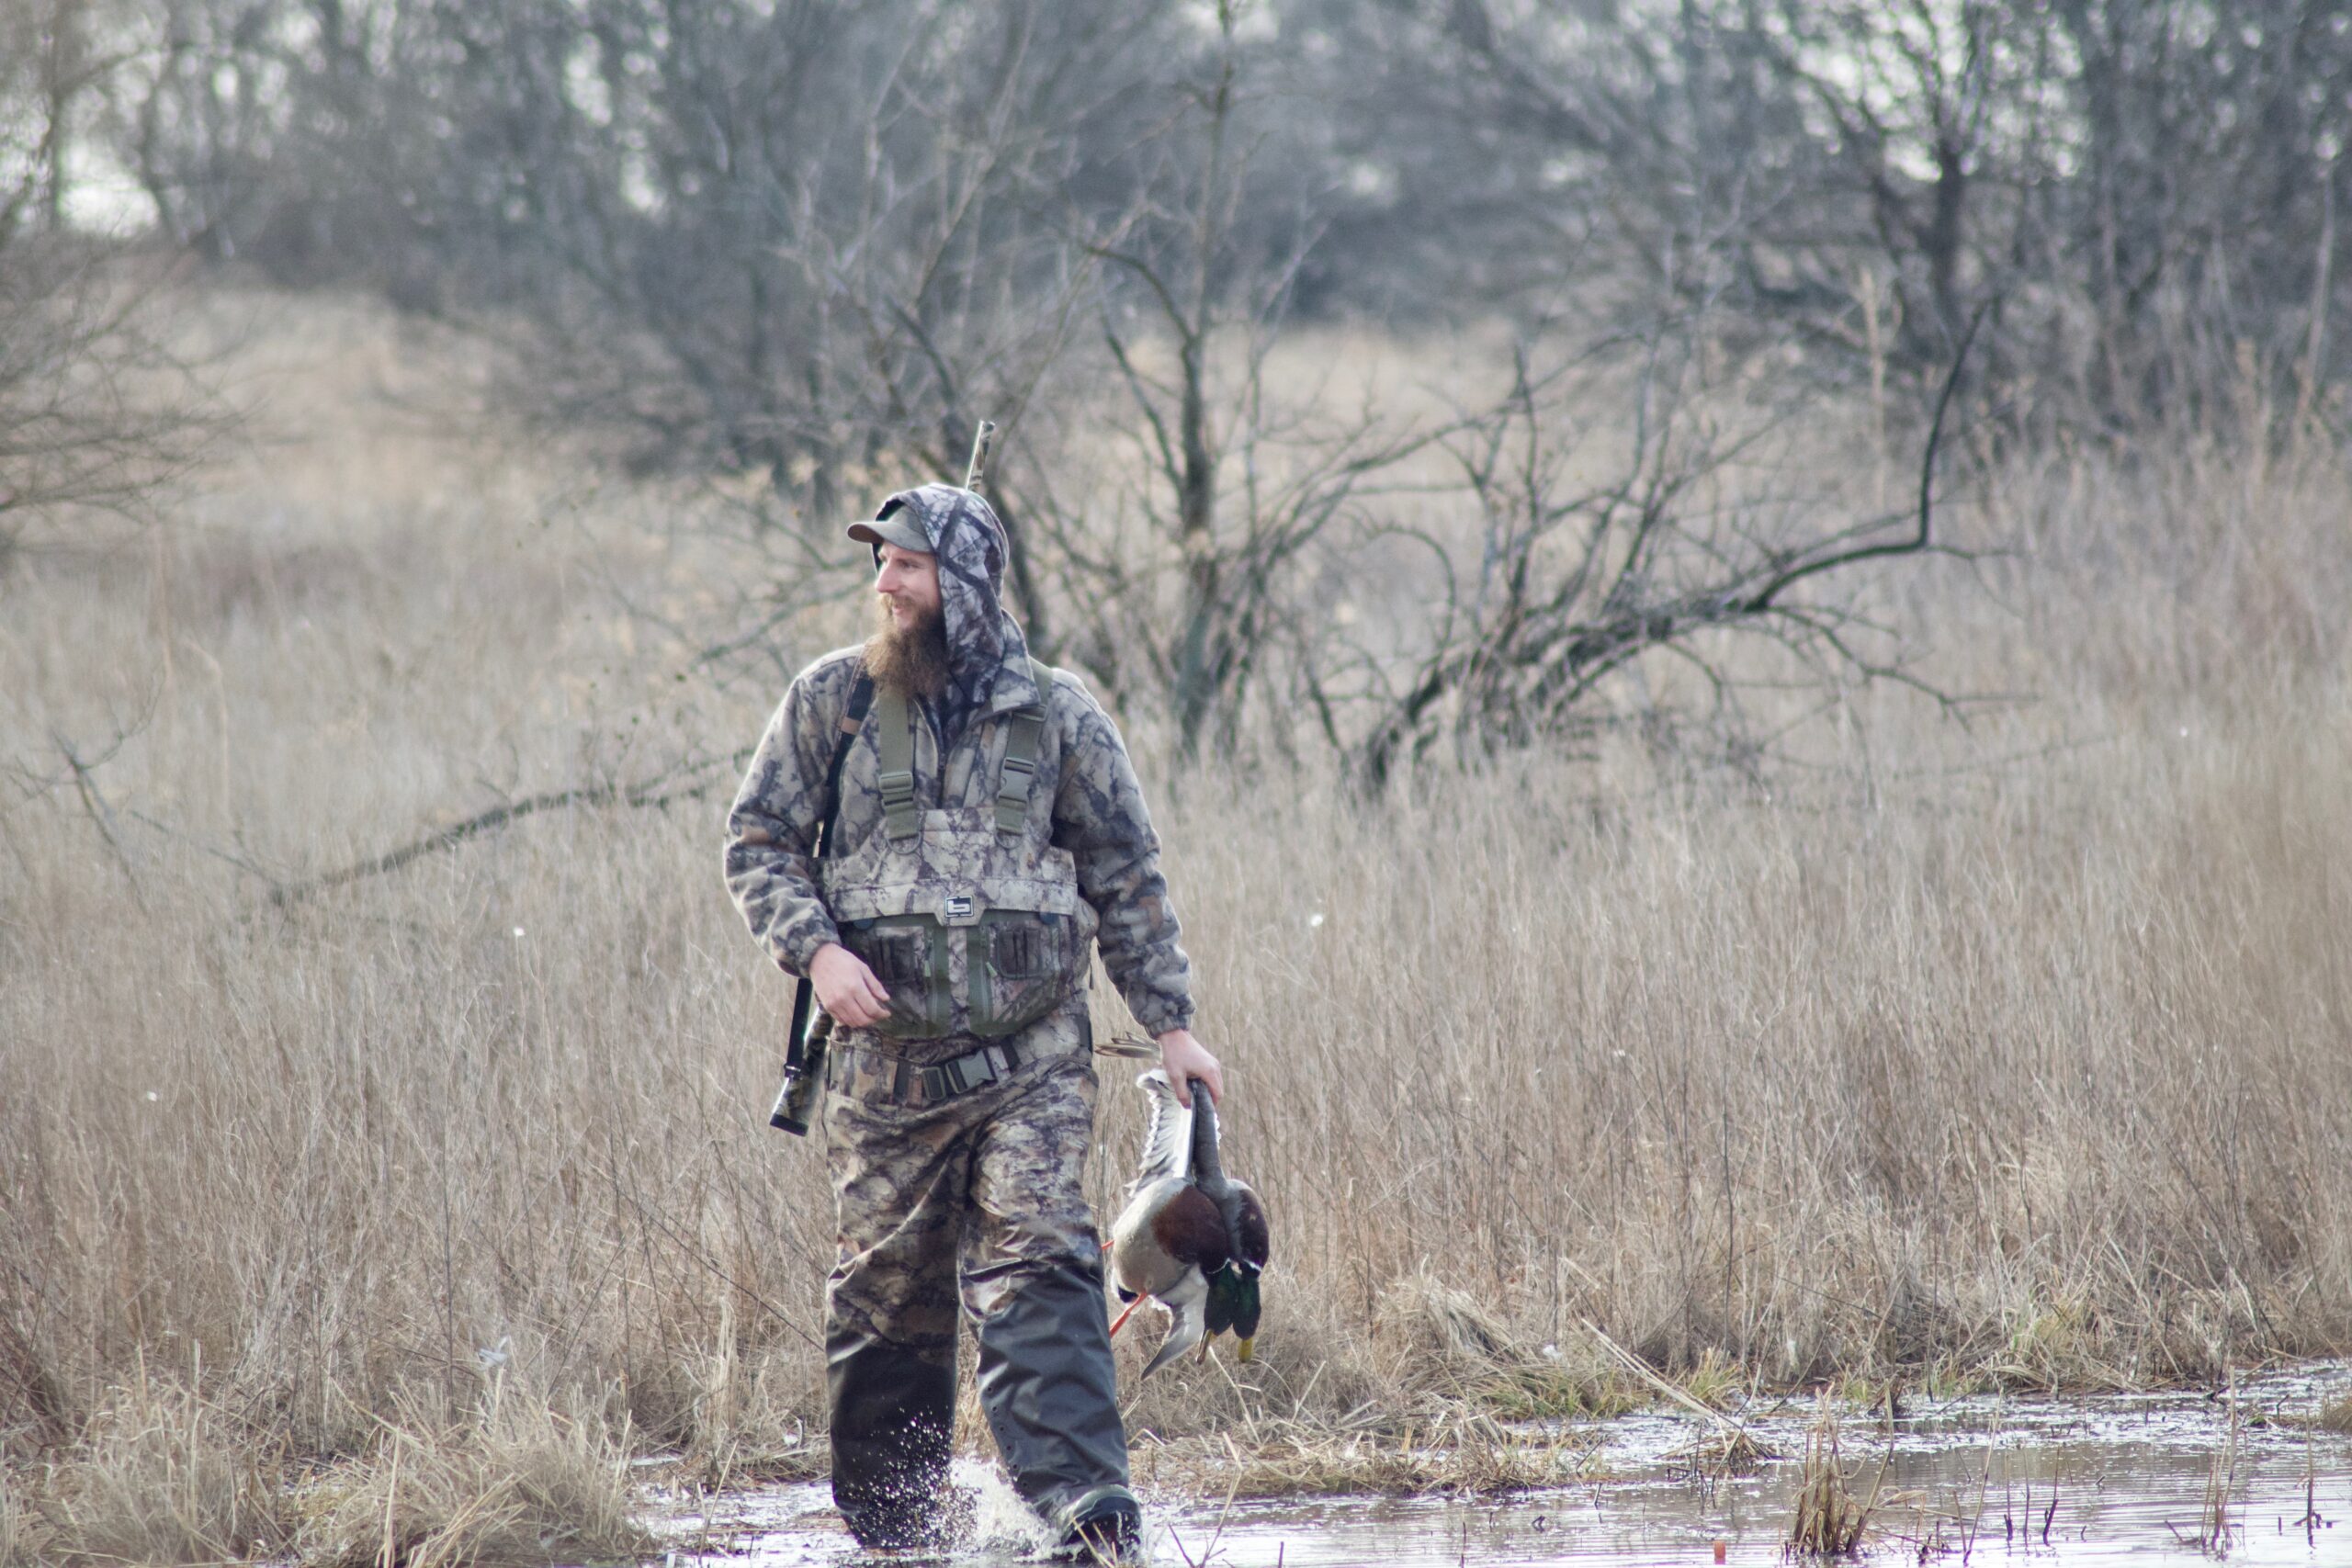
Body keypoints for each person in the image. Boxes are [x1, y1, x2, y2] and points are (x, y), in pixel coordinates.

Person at [723, 482, 1223, 1558]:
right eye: (880, 565)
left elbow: (1125, 874)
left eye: (906, 563)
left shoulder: (1060, 714)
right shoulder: (831, 702)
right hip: (883, 1076)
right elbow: (758, 841)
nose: (884, 583)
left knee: (1039, 1266)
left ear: (968, 579)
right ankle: (900, 1532)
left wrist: (1172, 1025)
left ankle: (1086, 1515)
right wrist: (818, 951)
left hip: (1031, 1063)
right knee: (885, 1303)